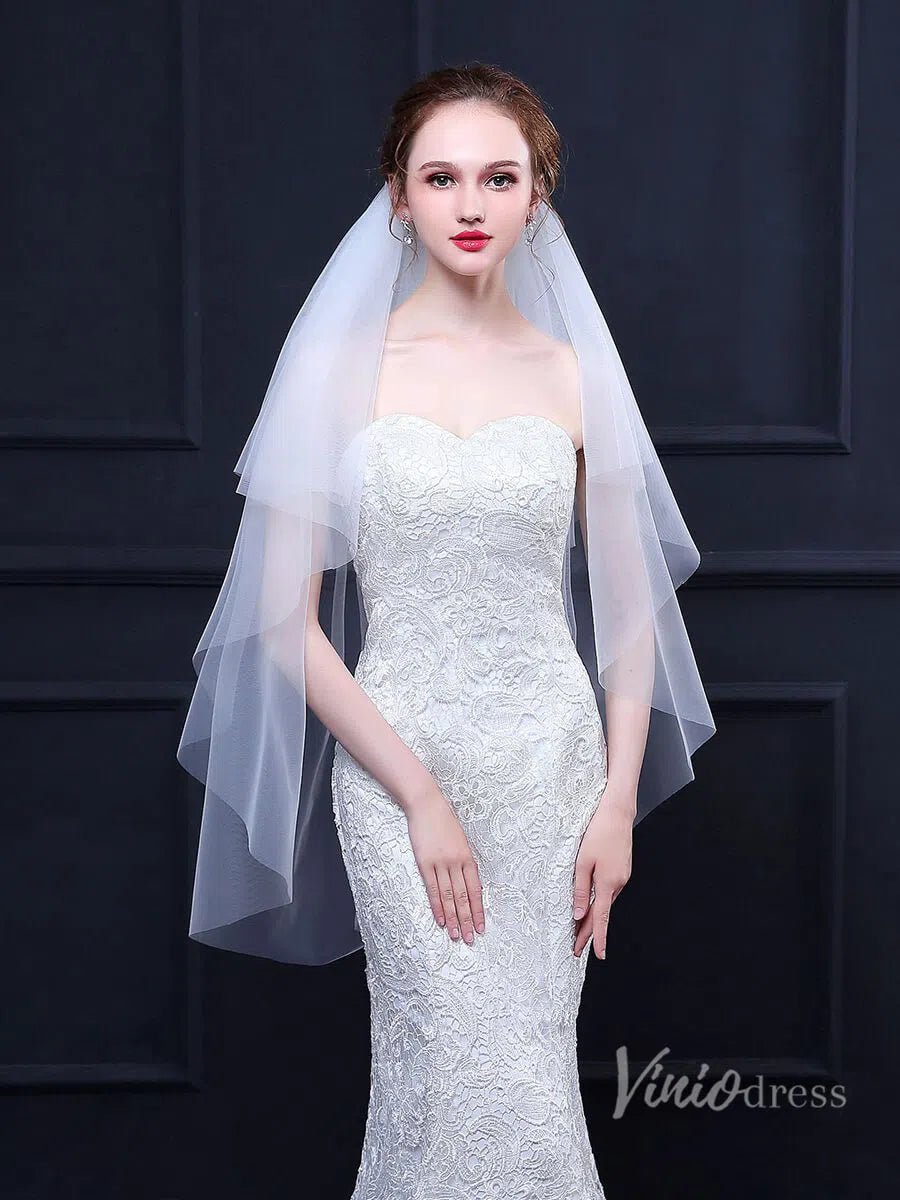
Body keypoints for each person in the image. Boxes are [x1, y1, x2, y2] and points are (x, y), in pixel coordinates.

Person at [177, 63, 715, 1199]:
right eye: (441, 177)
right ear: (398, 195)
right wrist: (418, 794)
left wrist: (618, 800)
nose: (471, 204)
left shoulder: (572, 375)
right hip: (398, 769)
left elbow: (630, 618)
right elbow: (283, 623)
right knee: (447, 1069)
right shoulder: (336, 371)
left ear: (537, 196)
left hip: (551, 774)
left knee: (533, 1077)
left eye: (499, 178)